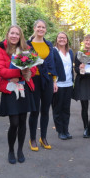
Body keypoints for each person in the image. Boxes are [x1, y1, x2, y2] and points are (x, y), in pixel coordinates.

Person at [0, 25, 36, 164]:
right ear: (8, 34)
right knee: (14, 122)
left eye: (17, 34)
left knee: (23, 121)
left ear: (20, 36)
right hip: (10, 90)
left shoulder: (27, 48)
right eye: (12, 33)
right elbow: (0, 70)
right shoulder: (0, 48)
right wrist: (20, 73)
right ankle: (11, 150)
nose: (14, 36)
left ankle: (20, 150)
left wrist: (24, 75)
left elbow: (34, 68)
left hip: (24, 88)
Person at [27, 19, 57, 150]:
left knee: (45, 110)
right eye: (38, 27)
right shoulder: (27, 45)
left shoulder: (49, 44)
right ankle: (32, 138)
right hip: (34, 79)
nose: (41, 29)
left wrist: (55, 80)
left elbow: (52, 64)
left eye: (43, 27)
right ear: (34, 28)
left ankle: (43, 137)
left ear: (45, 30)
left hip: (48, 80)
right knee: (34, 111)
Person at [52, 32, 74, 140]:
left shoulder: (70, 52)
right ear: (57, 39)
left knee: (66, 109)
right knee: (57, 109)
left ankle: (66, 130)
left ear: (67, 40)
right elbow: (52, 67)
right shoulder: (54, 51)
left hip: (69, 84)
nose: (62, 39)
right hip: (58, 84)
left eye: (64, 38)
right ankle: (60, 131)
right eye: (60, 37)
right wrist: (54, 82)